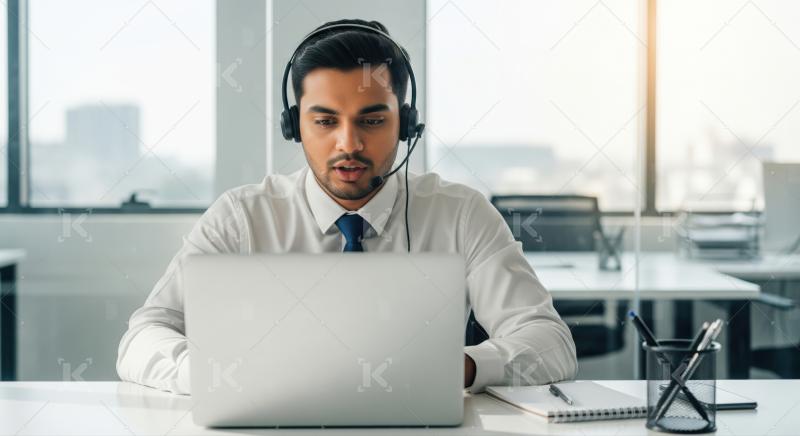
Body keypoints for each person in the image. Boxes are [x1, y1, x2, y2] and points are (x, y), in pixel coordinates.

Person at [116, 18, 577, 395]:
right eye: (325, 121)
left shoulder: (460, 213)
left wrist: (464, 367)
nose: (349, 144)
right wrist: (217, 377)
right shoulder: (241, 217)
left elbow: (551, 343)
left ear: (406, 125)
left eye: (372, 120)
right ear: (294, 126)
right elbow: (142, 338)